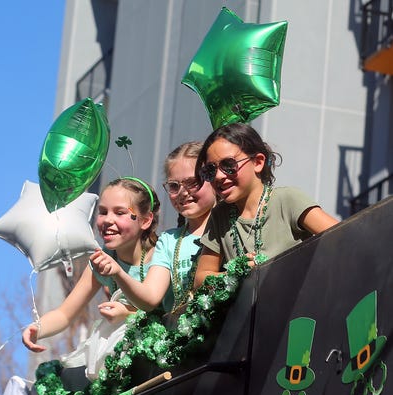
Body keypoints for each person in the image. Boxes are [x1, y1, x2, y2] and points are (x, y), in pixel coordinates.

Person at [22, 176, 162, 381]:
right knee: (67, 380)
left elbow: (164, 307)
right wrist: (38, 327)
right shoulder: (100, 259)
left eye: (120, 212)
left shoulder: (160, 254)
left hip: (156, 352)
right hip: (117, 352)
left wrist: (128, 313)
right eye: (103, 212)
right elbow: (65, 313)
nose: (107, 220)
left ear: (146, 220)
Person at [193, 123, 339, 288]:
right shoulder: (220, 215)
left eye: (229, 165)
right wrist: (234, 273)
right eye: (210, 170)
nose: (219, 176)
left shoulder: (288, 200)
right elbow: (200, 280)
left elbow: (344, 238)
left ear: (258, 162)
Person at [90, 142, 215, 317]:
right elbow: (150, 298)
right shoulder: (169, 240)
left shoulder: (229, 226)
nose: (183, 192)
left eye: (192, 182)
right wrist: (118, 272)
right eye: (174, 186)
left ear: (212, 177)